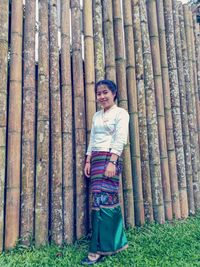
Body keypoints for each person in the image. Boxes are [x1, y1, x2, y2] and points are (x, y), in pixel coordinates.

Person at [81, 80, 129, 265]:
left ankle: (98, 250)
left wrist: (112, 162)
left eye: (105, 92)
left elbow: (120, 138)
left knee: (106, 202)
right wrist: (88, 159)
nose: (102, 96)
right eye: (99, 93)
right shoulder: (96, 116)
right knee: (98, 201)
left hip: (110, 159)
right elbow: (93, 138)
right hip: (96, 161)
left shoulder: (121, 114)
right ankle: (115, 243)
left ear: (114, 93)